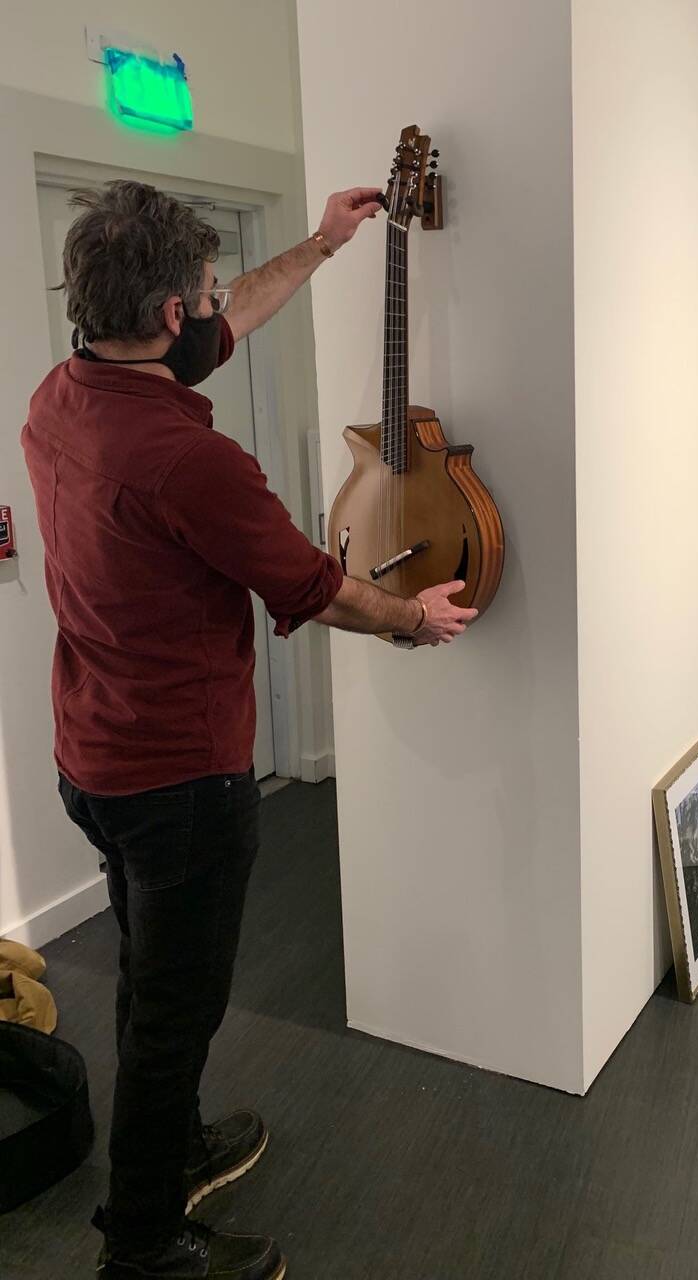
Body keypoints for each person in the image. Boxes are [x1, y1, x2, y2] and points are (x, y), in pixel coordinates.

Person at [21, 180, 475, 1280]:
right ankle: (142, 1244)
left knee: (147, 975)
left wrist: (320, 244)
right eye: (211, 296)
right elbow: (316, 587)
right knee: (174, 1009)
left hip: (93, 754)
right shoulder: (194, 462)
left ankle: (170, 1144)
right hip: (181, 779)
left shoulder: (64, 392)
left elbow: (224, 330)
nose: (222, 311)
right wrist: (411, 618)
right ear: (172, 314)